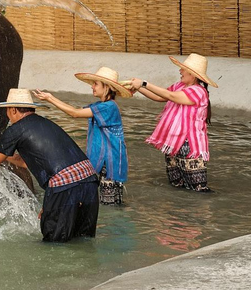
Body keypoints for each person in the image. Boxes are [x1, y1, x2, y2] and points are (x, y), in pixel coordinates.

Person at [0, 88, 99, 243]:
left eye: (7, 110)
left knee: (55, 243)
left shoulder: (15, 130)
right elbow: (31, 162)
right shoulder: (46, 123)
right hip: (89, 180)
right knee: (83, 239)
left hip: (64, 186)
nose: (7, 114)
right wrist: (50, 202)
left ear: (13, 109)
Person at [34, 67, 132, 205]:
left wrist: (50, 98)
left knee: (109, 204)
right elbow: (77, 111)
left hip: (110, 163)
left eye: (96, 84)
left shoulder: (108, 107)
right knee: (106, 203)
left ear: (107, 87)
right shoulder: (101, 105)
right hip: (107, 161)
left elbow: (74, 113)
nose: (92, 87)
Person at [129, 53, 217, 192]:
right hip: (174, 144)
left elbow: (171, 96)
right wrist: (138, 88)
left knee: (198, 189)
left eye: (183, 69)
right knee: (177, 185)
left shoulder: (199, 91)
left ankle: (200, 213)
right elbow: (160, 96)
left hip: (190, 147)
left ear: (193, 74)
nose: (180, 71)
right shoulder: (179, 86)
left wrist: (144, 83)